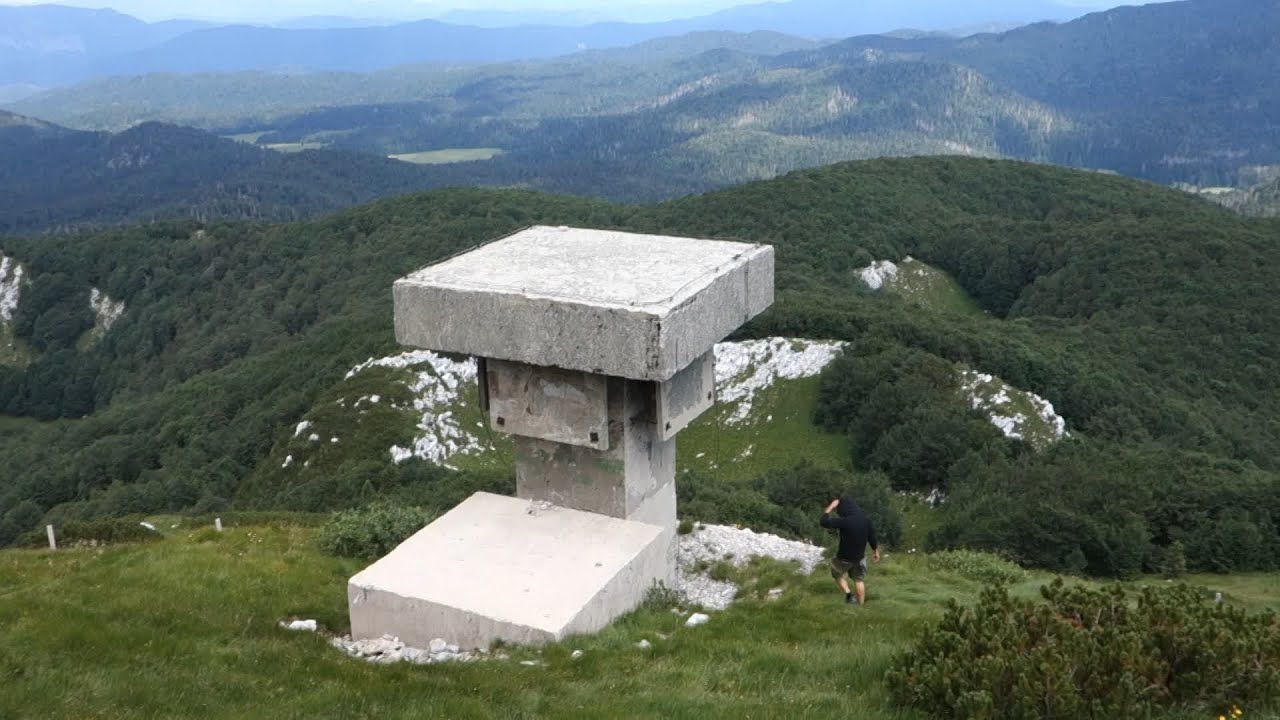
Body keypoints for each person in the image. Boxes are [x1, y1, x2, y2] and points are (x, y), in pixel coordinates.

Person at [820, 496, 880, 604]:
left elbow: (823, 522)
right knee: (859, 580)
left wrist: (831, 507)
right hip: (859, 558)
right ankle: (860, 605)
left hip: (844, 557)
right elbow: (872, 538)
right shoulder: (866, 520)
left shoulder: (845, 521)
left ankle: (848, 594)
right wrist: (875, 551)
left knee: (837, 574)